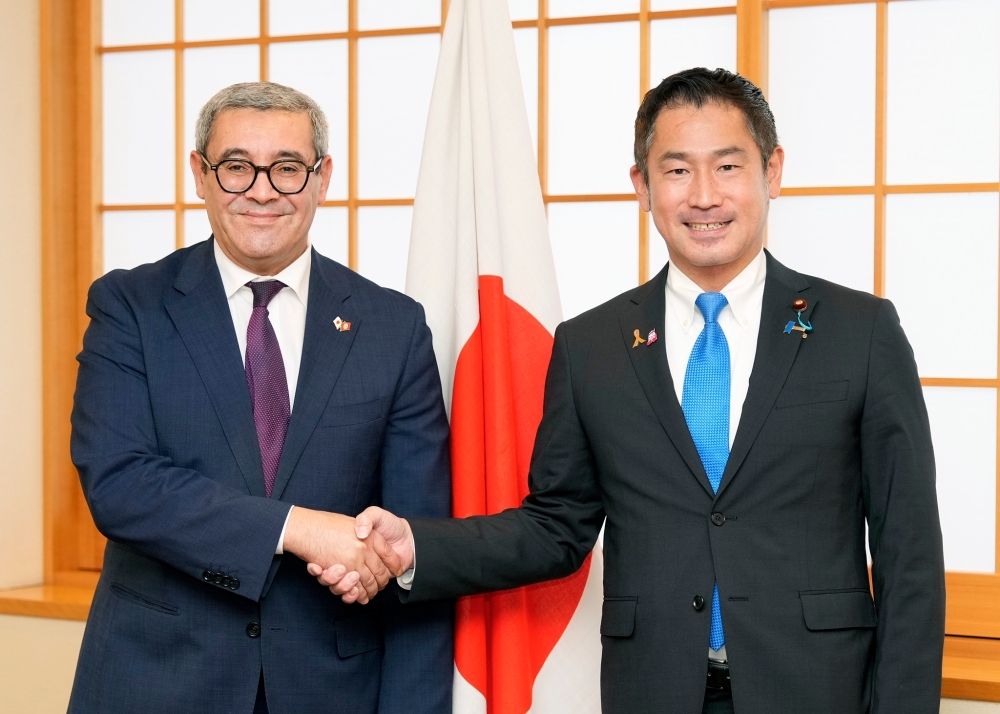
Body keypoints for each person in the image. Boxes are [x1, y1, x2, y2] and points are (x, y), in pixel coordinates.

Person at [318, 68, 946, 714]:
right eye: (676, 171)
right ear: (642, 186)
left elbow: (910, 558)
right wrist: (416, 546)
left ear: (773, 171)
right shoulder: (592, 346)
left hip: (817, 692)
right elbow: (554, 528)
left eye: (728, 167)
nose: (704, 196)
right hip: (653, 691)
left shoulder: (860, 333)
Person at [67, 82, 453, 714]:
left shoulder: (393, 327)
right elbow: (120, 485)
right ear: (200, 173)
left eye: (288, 169)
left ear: (323, 177)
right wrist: (298, 529)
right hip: (156, 681)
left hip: (332, 690)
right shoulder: (130, 308)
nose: (263, 191)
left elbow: (416, 548)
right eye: (238, 167)